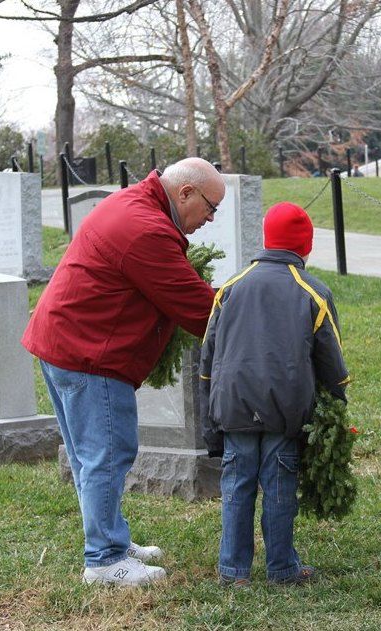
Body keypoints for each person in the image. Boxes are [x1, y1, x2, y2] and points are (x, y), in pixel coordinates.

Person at [22, 158, 225, 587]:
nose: (209, 219)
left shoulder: (137, 205)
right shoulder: (146, 229)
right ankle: (104, 560)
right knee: (106, 456)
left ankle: (110, 538)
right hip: (89, 353)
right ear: (185, 192)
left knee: (89, 457)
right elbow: (196, 307)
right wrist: (259, 319)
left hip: (64, 342)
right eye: (211, 207)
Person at [199, 202, 349, 588]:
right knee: (280, 488)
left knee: (236, 486)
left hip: (232, 408)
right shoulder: (313, 292)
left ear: (266, 239)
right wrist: (336, 412)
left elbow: (207, 360)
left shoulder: (230, 287)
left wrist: (209, 420)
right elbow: (331, 363)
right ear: (305, 246)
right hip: (285, 411)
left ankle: (234, 571)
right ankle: (281, 568)